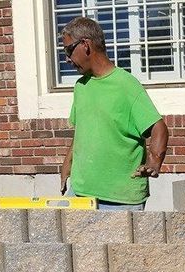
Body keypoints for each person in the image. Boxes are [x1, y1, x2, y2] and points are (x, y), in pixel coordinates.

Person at [59, 17, 168, 211]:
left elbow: (158, 127)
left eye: (68, 50)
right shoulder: (81, 86)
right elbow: (82, 131)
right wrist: (67, 166)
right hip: (80, 192)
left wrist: (153, 161)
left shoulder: (126, 85)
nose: (67, 59)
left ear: (85, 45)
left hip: (120, 200)